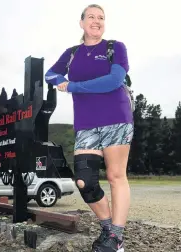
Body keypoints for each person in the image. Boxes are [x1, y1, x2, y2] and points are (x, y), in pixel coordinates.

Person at [45, 4, 133, 252]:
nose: (96, 21)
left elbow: (114, 80)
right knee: (84, 181)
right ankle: (110, 231)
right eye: (91, 17)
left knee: (116, 176)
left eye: (101, 18)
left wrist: (72, 86)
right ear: (81, 23)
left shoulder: (115, 47)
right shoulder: (72, 53)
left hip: (116, 116)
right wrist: (60, 80)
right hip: (86, 123)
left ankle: (115, 237)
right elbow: (50, 75)